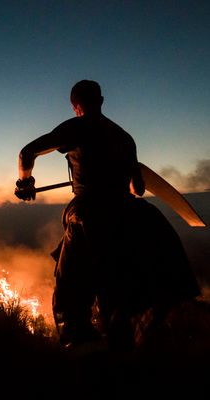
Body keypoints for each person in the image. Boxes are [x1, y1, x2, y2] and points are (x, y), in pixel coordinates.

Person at [14, 80, 200, 350]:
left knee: (69, 289)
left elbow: (26, 153)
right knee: (129, 280)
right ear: (101, 101)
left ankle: (78, 348)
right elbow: (137, 188)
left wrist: (25, 183)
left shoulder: (75, 126)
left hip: (90, 213)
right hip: (132, 212)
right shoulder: (125, 137)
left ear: (75, 106)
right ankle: (132, 341)